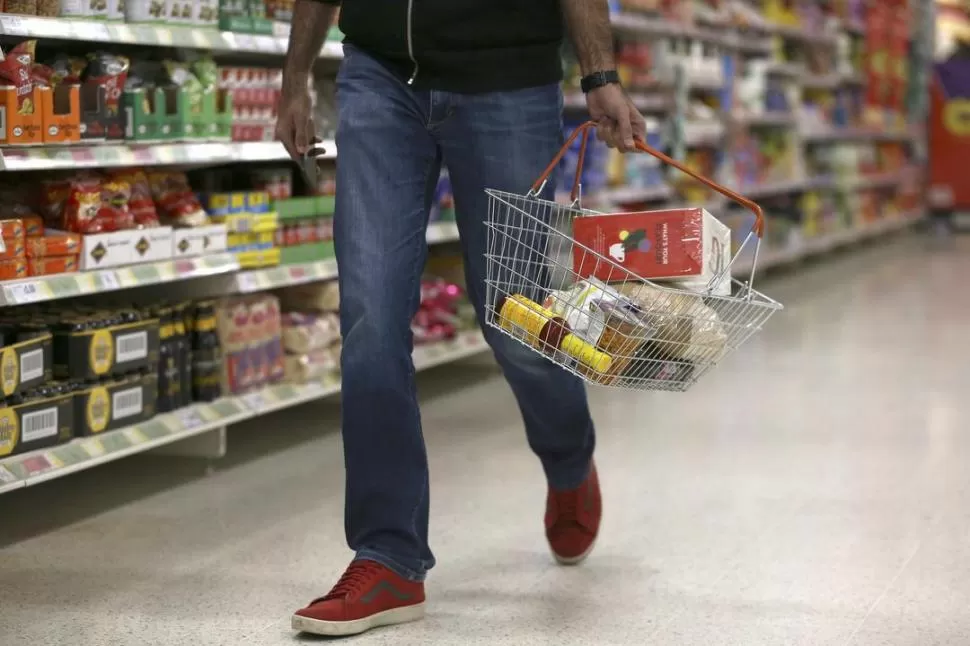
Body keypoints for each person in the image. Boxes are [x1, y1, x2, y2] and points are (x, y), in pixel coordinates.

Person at [277, 0, 647, 636]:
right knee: (369, 315)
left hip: (508, 82)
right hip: (380, 72)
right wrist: (295, 76)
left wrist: (599, 73)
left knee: (518, 320)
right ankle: (388, 555)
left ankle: (566, 456)